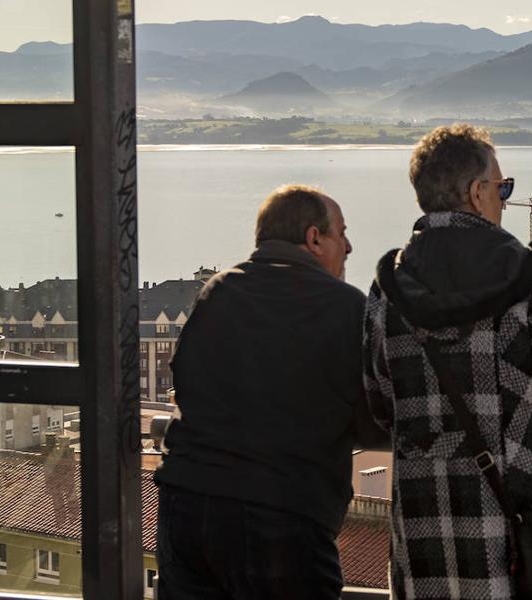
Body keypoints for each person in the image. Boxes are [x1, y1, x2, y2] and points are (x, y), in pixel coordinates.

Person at [363, 124, 532, 599]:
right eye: (503, 188)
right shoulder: (526, 280)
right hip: (526, 537)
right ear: (477, 194)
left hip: (425, 537)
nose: (506, 199)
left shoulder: (387, 290)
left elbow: (380, 402)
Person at [155, 184, 386, 599]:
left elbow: (183, 379)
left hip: (187, 506)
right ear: (314, 238)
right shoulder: (346, 307)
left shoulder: (218, 291)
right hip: (282, 516)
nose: (349, 247)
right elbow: (373, 419)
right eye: (342, 233)